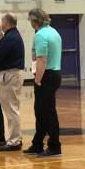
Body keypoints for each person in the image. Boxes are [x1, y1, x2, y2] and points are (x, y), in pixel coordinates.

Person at [24, 9, 63, 157]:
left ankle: (54, 145)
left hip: (46, 76)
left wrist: (38, 79)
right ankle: (37, 143)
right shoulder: (54, 32)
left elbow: (42, 59)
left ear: (34, 21)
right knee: (40, 111)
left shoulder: (40, 35)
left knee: (47, 112)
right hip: (55, 74)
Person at [0, 13, 25, 151]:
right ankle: (15, 138)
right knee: (12, 108)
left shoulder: (9, 38)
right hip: (12, 74)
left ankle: (14, 141)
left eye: (2, 21)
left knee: (11, 109)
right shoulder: (14, 36)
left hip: (9, 75)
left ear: (6, 23)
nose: (0, 24)